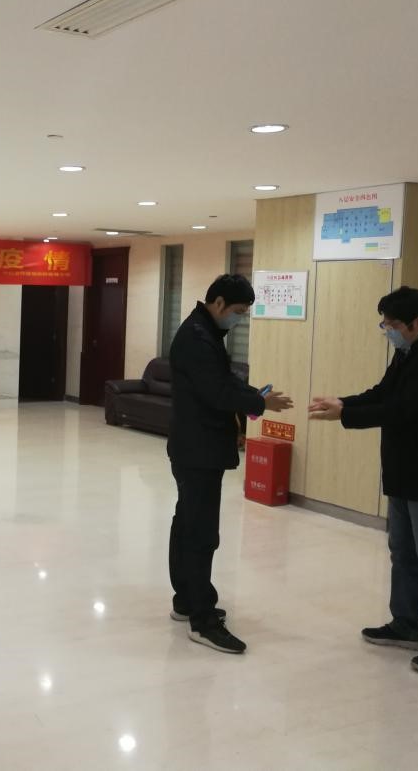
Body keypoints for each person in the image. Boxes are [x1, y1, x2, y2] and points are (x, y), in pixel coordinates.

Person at [309, 286, 418, 675]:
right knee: (403, 553)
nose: (387, 330)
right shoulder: (410, 349)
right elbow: (384, 392)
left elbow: (403, 409)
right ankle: (407, 625)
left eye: (392, 324)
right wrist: (345, 403)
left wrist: (345, 417)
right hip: (402, 471)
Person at [167, 274, 292, 654]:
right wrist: (259, 403)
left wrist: (253, 394)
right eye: (238, 311)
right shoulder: (198, 338)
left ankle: (187, 599)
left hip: (194, 447)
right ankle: (202, 620)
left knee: (187, 522)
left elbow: (223, 381)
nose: (239, 319)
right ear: (218, 302)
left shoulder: (204, 331)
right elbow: (217, 392)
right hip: (198, 449)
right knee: (201, 531)